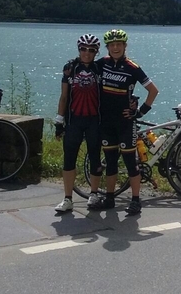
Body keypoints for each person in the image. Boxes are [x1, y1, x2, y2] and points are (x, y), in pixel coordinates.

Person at [92, 28, 158, 214]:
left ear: (125, 46)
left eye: (119, 44)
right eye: (112, 45)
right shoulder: (101, 64)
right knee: (110, 163)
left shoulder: (132, 68)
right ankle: (110, 198)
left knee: (131, 163)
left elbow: (153, 91)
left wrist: (140, 112)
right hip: (106, 122)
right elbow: (85, 67)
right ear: (107, 47)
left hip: (125, 123)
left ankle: (136, 200)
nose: (115, 48)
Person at [53, 34, 102, 213]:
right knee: (69, 159)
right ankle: (67, 199)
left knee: (95, 158)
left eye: (91, 50)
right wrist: (59, 121)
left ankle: (94, 194)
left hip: (94, 121)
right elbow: (64, 96)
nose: (87, 53)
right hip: (74, 120)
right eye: (83, 49)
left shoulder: (100, 68)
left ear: (96, 52)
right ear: (79, 49)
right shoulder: (70, 68)